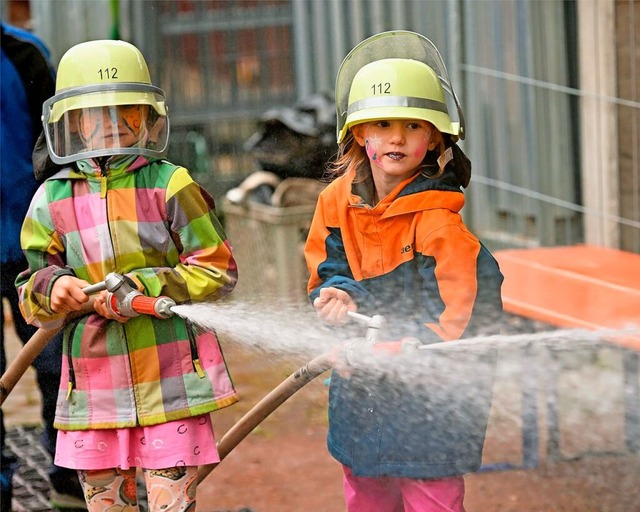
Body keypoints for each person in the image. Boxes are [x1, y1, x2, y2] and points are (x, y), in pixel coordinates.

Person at [16, 39, 239, 511]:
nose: (113, 125)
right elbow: (30, 291)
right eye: (94, 114)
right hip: (95, 395)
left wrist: (147, 285)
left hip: (171, 384)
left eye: (128, 112)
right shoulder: (50, 199)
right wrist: (54, 287)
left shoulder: (170, 184)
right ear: (69, 122)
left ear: (149, 116)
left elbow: (217, 271)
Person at [303, 31, 504, 512]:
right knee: (366, 488)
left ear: (435, 136)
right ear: (358, 134)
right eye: (382, 124)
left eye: (413, 126)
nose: (396, 137)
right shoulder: (337, 202)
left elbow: (464, 316)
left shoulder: (442, 227)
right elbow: (326, 266)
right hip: (362, 393)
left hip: (431, 404)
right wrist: (338, 294)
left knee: (429, 493)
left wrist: (412, 344)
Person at [0, 21, 88, 510]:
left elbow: (60, 146)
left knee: (57, 360)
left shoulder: (24, 54)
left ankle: (70, 473)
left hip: (33, 241)